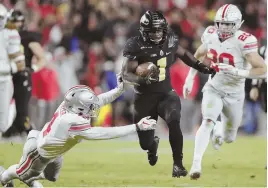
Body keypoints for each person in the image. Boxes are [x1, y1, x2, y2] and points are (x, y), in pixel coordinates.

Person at [0, 76, 157, 187]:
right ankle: (4, 177)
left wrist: (119, 90)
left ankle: (31, 178)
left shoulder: (70, 106)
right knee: (21, 173)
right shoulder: (72, 121)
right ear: (79, 107)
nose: (93, 109)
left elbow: (99, 100)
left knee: (52, 178)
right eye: (89, 107)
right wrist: (136, 127)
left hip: (51, 150)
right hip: (38, 153)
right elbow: (105, 133)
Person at [122, 10, 215, 177]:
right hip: (144, 97)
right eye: (153, 30)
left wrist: (201, 67)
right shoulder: (135, 45)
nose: (157, 34)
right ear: (144, 30)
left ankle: (178, 165)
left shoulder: (170, 39)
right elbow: (126, 74)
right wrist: (144, 79)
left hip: (166, 93)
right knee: (145, 142)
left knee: (174, 121)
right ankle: (152, 146)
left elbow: (184, 54)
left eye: (159, 30)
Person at [183, 4, 266, 180]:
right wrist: (190, 77)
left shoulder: (244, 40)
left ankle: (219, 127)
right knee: (207, 120)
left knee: (229, 138)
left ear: (238, 24)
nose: (223, 28)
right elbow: (199, 53)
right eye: (221, 23)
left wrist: (237, 72)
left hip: (235, 94)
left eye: (228, 24)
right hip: (214, 87)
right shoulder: (211, 34)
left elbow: (263, 70)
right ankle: (196, 163)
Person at [3, 10, 46, 137]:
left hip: (22, 76)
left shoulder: (26, 37)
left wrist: (33, 68)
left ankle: (34, 137)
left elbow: (42, 57)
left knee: (22, 113)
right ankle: (9, 133)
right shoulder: (4, 36)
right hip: (7, 76)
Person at [0, 5, 26, 134]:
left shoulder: (11, 33)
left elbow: (20, 62)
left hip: (4, 79)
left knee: (2, 121)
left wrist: (8, 68)